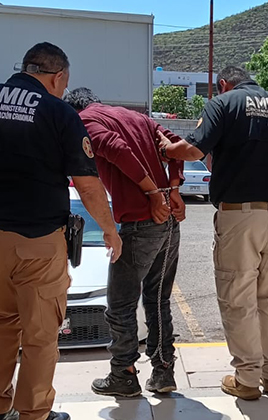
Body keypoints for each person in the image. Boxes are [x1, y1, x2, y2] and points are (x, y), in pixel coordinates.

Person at [0, 43, 122, 420]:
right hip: (39, 245)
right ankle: (34, 415)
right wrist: (109, 229)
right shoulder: (58, 112)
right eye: (63, 83)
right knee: (40, 336)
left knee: (0, 325)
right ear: (58, 77)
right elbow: (87, 185)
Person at [157, 66, 268, 400]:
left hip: (239, 216)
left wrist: (166, 149)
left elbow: (193, 151)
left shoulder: (222, 105)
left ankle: (248, 380)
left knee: (238, 298)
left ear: (223, 84)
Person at [64, 88, 185, 397]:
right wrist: (172, 189)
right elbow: (175, 147)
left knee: (120, 304)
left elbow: (116, 148)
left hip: (140, 222)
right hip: (168, 222)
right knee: (158, 300)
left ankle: (123, 374)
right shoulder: (138, 118)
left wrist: (151, 192)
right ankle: (163, 373)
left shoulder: (86, 122)